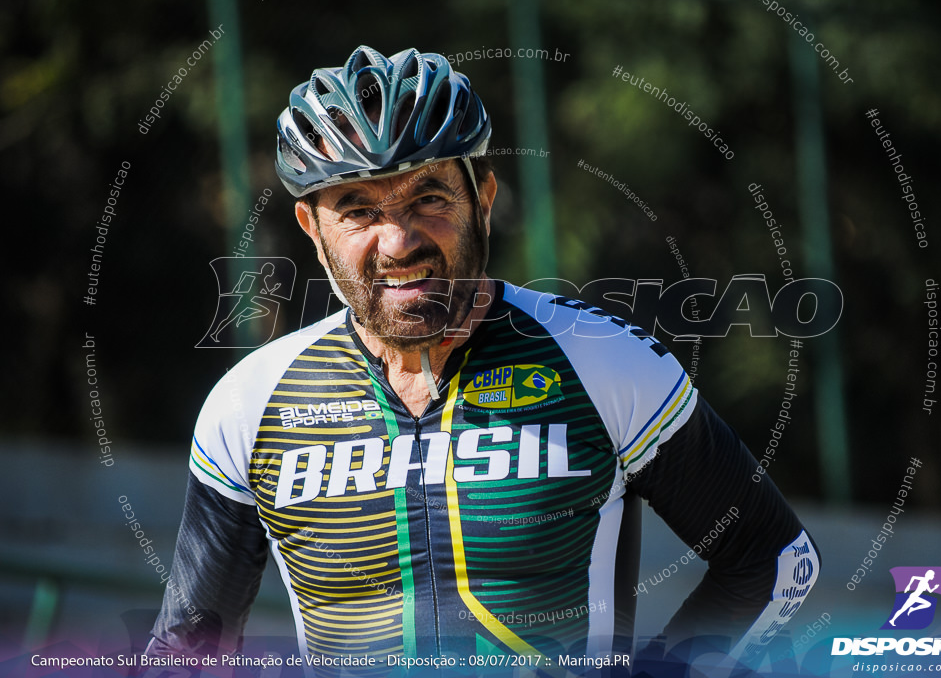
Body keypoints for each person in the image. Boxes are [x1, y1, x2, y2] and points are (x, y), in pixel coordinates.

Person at [146, 45, 819, 673]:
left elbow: (772, 558)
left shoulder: (602, 364)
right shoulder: (250, 405)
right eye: (357, 210)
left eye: (429, 198)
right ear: (313, 233)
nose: (399, 241)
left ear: (484, 200)